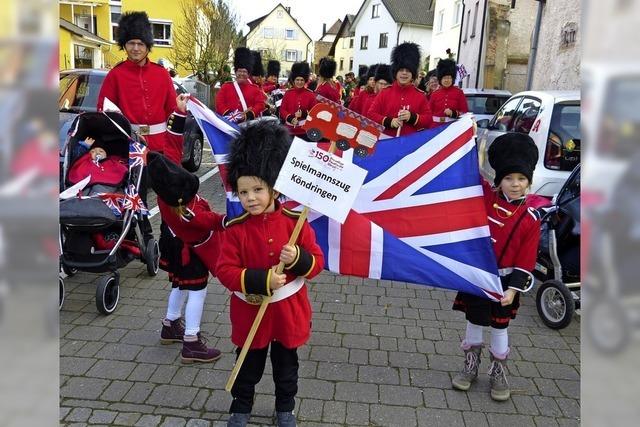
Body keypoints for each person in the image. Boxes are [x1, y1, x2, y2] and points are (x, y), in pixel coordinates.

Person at [217, 120, 324, 427]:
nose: (250, 198)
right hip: (251, 311)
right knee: (247, 365)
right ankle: (240, 407)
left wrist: (298, 259)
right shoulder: (235, 230)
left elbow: (316, 263)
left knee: (286, 367)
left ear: (274, 189)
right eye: (243, 192)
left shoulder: (295, 222)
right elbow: (225, 271)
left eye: (257, 189)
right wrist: (261, 280)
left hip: (288, 312)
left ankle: (285, 408)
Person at [451, 133, 541, 401]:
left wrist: (513, 290)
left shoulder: (530, 217)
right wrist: (466, 141)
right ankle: (470, 367)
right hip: (478, 277)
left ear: (529, 182)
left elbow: (527, 258)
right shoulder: (485, 199)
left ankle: (498, 373)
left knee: (500, 327)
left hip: (505, 284)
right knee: (474, 321)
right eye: (509, 178)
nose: (515, 185)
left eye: (521, 179)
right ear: (498, 180)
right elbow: (468, 174)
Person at [96, 11, 188, 243]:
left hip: (161, 148)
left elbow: (171, 111)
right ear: (124, 45)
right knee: (138, 196)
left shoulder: (161, 75)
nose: (135, 48)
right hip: (133, 148)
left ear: (148, 46)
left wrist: (180, 109)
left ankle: (170, 234)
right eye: (130, 43)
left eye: (140, 43)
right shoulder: (115, 75)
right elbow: (104, 113)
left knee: (169, 194)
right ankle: (144, 237)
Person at [147, 152, 225, 363]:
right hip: (191, 253)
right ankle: (192, 341)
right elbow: (210, 220)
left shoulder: (164, 199)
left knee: (178, 286)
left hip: (173, 246)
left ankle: (170, 324)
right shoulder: (188, 211)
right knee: (197, 293)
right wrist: (228, 220)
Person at [367, 42, 433, 136]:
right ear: (396, 72)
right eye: (401, 70)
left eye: (408, 71)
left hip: (410, 143)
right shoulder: (385, 92)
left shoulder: (420, 95)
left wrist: (412, 117)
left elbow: (428, 120)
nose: (404, 73)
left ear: (412, 74)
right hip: (387, 141)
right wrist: (389, 121)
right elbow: (371, 114)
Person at [215, 47, 267, 123]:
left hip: (247, 125)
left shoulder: (255, 89)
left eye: (244, 71)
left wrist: (247, 115)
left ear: (248, 74)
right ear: (235, 72)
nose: (241, 74)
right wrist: (232, 116)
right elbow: (219, 103)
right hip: (229, 123)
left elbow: (260, 104)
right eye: (239, 71)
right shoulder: (226, 87)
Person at [279, 61, 317, 139]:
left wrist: (304, 114)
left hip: (304, 131)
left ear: (305, 81)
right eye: (297, 80)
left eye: (302, 80)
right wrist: (290, 118)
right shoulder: (288, 93)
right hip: (289, 130)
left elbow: (314, 113)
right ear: (294, 80)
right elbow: (282, 109)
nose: (299, 82)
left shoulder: (310, 94)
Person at [429, 58, 468, 126]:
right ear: (440, 79)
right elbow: (428, 112)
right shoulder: (435, 94)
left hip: (452, 127)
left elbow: (464, 112)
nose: (446, 80)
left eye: (449, 78)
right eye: (444, 78)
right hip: (435, 126)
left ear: (453, 79)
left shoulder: (459, 93)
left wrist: (453, 113)